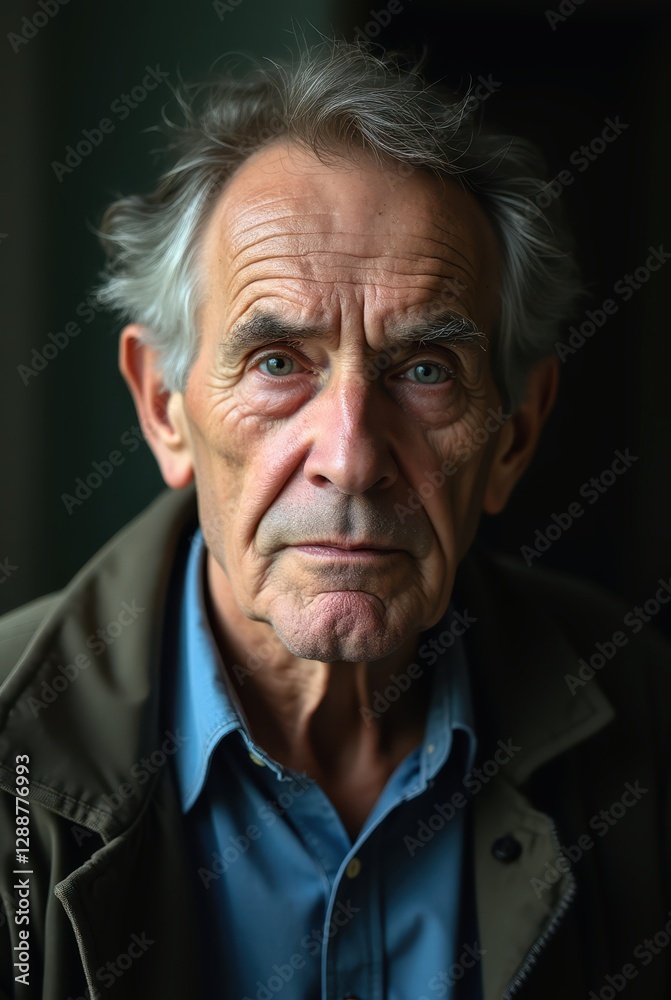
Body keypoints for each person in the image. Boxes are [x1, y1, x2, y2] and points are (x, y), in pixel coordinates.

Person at [0, 39, 669, 1000]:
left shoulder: (644, 718)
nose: (350, 456)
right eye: (277, 363)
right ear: (162, 407)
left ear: (512, 437)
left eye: (425, 370)